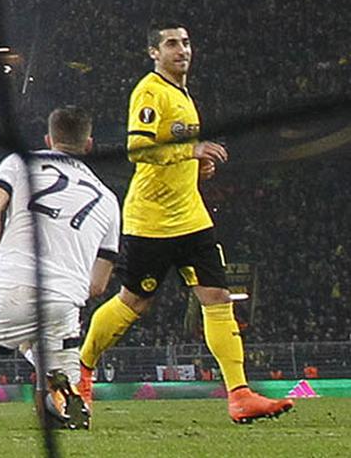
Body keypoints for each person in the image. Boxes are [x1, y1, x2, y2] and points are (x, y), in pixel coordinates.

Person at [77, 24, 294, 424]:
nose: (182, 50)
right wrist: (190, 149)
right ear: (153, 53)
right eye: (172, 44)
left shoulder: (183, 95)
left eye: (187, 42)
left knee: (217, 299)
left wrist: (194, 166)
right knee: (134, 303)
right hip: (152, 221)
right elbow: (138, 149)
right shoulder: (150, 91)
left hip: (191, 217)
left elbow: (171, 156)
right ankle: (84, 369)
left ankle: (239, 394)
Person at [0, 106, 119, 431]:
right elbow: (99, 284)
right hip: (65, 299)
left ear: (48, 139)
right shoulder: (108, 198)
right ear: (89, 144)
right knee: (48, 370)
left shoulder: (22, 162)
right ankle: (60, 398)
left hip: (12, 280)